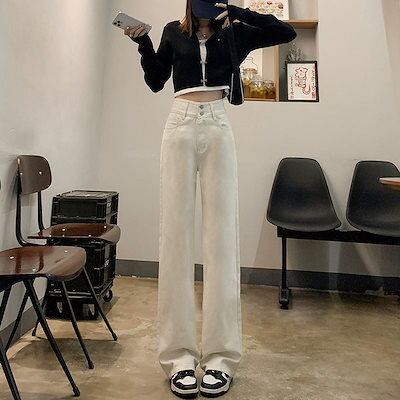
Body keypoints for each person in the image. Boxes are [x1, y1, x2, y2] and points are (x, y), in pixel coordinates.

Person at [124, 1, 296, 398]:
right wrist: (143, 42)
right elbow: (156, 80)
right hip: (179, 124)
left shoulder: (234, 32)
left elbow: (284, 32)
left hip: (218, 124)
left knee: (222, 239)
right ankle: (178, 357)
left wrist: (237, 12)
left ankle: (221, 358)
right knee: (175, 237)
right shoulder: (173, 31)